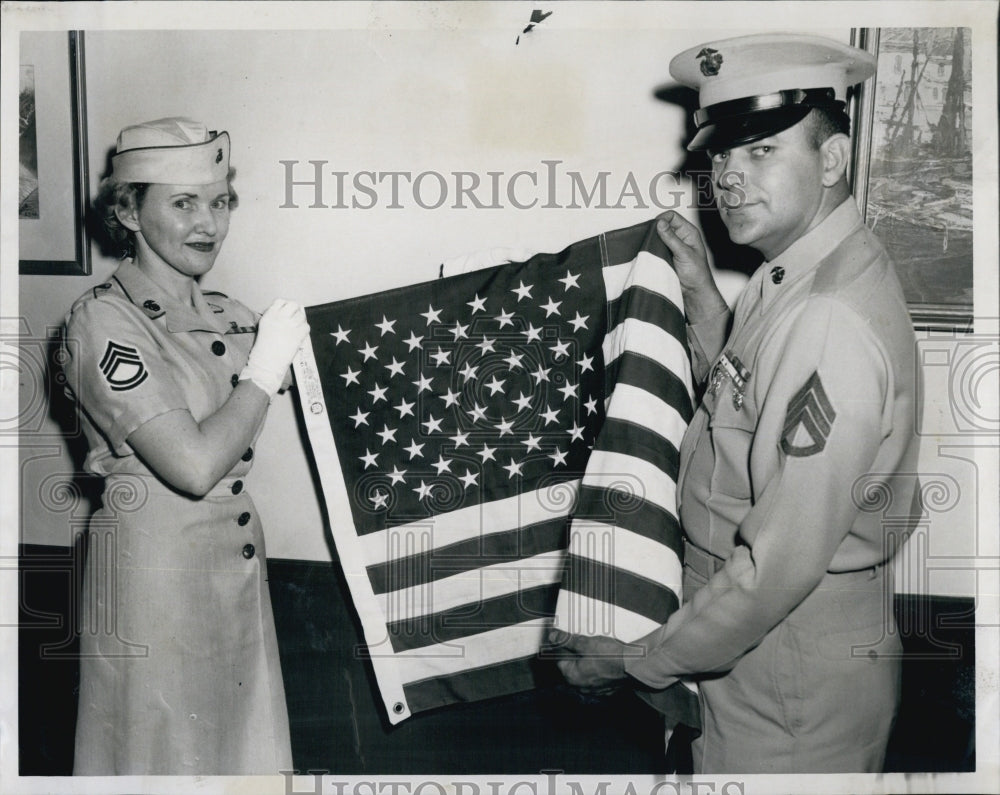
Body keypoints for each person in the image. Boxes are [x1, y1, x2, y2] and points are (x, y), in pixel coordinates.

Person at [548, 33, 922, 773]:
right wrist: (701, 299)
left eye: (761, 152)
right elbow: (758, 407)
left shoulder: (828, 318)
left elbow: (771, 572)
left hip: (786, 687)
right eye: (721, 155)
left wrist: (629, 660)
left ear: (833, 159)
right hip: (756, 662)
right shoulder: (800, 271)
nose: (730, 178)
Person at [63, 117, 310, 775]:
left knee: (245, 760)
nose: (210, 223)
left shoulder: (229, 315)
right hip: (157, 591)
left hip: (233, 582)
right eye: (183, 202)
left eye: (220, 200)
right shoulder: (103, 321)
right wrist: (263, 371)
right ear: (128, 211)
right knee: (162, 762)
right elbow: (196, 464)